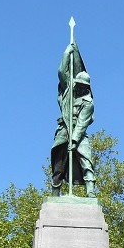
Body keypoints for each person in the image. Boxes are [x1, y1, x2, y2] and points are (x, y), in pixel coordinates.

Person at [51, 43, 95, 197]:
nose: (81, 88)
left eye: (84, 86)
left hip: (78, 132)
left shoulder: (88, 103)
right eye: (80, 84)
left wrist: (75, 139)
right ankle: (55, 190)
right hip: (64, 128)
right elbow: (61, 72)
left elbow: (82, 123)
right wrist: (67, 53)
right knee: (60, 159)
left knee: (86, 158)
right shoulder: (68, 91)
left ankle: (90, 190)